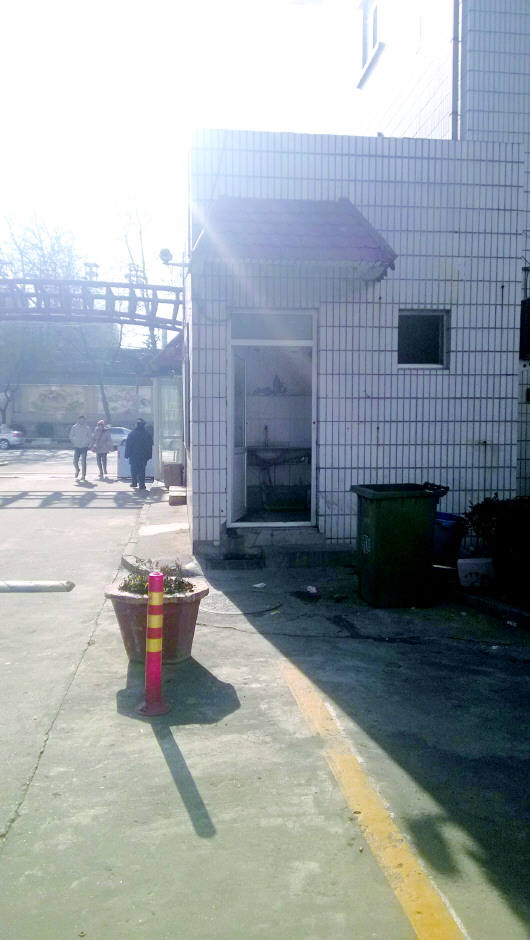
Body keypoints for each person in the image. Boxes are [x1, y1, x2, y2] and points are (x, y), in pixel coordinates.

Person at [124, 419, 152, 491]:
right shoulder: (147, 434)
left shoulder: (132, 434)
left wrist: (126, 454)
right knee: (142, 470)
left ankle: (134, 482)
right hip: (143, 455)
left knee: (133, 469)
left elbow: (128, 445)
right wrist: (149, 455)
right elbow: (150, 446)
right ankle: (142, 484)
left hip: (133, 455)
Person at [69, 414, 92, 481]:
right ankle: (77, 470)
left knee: (83, 461)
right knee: (75, 461)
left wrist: (87, 442)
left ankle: (83, 475)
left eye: (83, 420)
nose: (82, 421)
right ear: (78, 420)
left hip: (84, 447)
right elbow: (71, 435)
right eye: (81, 420)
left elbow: (90, 437)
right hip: (77, 446)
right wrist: (74, 441)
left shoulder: (87, 428)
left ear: (85, 420)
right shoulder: (74, 427)